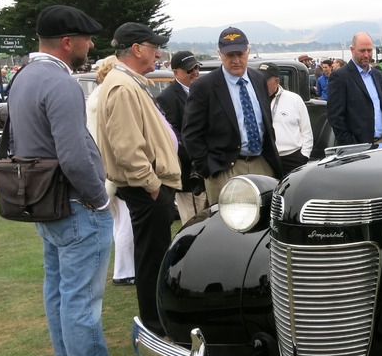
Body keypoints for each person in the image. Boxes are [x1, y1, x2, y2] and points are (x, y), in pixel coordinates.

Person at [6, 5, 145, 356]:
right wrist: (99, 198)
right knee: (81, 299)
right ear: (68, 42)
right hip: (73, 202)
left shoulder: (23, 77)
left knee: (59, 293)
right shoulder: (60, 83)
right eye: (85, 38)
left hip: (44, 201)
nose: (90, 45)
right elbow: (73, 155)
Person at [94, 22, 181, 334]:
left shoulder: (127, 81)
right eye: (153, 46)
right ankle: (155, 322)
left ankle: (159, 317)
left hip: (150, 186)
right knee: (151, 257)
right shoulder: (122, 86)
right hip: (146, 188)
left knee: (154, 253)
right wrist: (153, 185)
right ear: (136, 49)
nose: (157, 52)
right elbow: (127, 146)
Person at [182, 27, 284, 203]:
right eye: (230, 55)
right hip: (225, 168)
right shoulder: (204, 87)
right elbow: (191, 134)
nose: (236, 60)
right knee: (226, 227)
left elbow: (266, 123)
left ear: (248, 51)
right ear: (219, 53)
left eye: (240, 54)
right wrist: (208, 169)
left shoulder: (258, 79)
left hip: (262, 164)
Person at [86, 55, 135, 286]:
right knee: (125, 221)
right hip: (113, 168)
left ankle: (123, 268)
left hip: (101, 167)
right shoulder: (108, 96)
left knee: (119, 221)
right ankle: (124, 271)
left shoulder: (96, 96)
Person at [156, 50, 208, 225]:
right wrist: (198, 156)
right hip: (189, 170)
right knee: (194, 221)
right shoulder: (167, 97)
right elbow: (174, 135)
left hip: (211, 167)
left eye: (196, 67)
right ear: (176, 72)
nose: (194, 72)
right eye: (189, 69)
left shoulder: (203, 90)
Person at [325, 31, 382, 146]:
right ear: (352, 50)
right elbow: (335, 117)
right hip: (359, 148)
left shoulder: (378, 76)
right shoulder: (340, 77)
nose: (366, 55)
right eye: (362, 50)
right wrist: (351, 145)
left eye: (369, 50)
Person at [258, 61, 313, 173]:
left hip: (292, 158)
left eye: (264, 81)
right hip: (265, 158)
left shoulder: (294, 99)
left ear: (276, 81)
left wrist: (304, 156)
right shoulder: (254, 99)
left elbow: (306, 130)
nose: (260, 83)